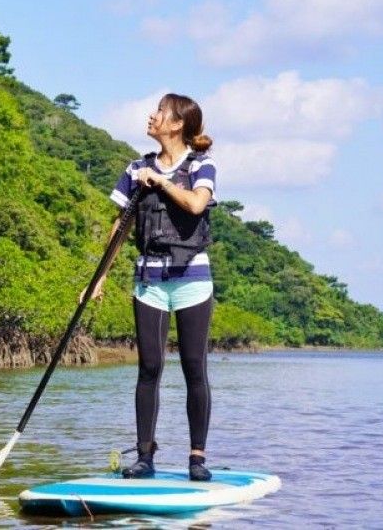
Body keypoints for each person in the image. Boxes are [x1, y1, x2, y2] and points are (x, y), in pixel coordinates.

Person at [81, 93, 216, 481]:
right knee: (149, 368)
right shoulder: (135, 168)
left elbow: (195, 205)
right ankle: (145, 457)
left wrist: (159, 181)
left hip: (192, 279)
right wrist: (100, 277)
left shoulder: (202, 166)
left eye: (160, 111)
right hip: (149, 281)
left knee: (194, 368)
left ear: (176, 124)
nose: (152, 116)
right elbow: (119, 227)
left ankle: (197, 459)